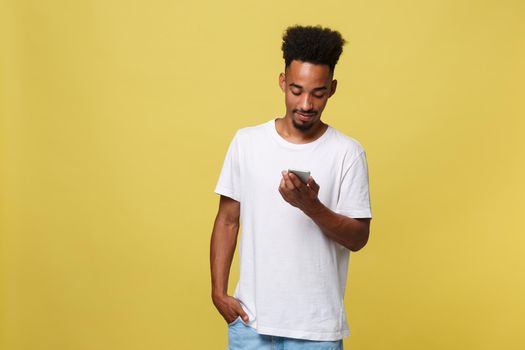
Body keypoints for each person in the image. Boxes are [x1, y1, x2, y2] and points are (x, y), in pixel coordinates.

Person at [210, 25, 372, 350]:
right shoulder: (247, 143)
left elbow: (358, 238)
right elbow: (228, 220)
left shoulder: (347, 153)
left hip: (317, 331)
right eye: (297, 91)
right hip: (250, 325)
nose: (307, 104)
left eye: (318, 93)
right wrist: (218, 293)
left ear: (332, 89)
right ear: (282, 82)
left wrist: (310, 206)